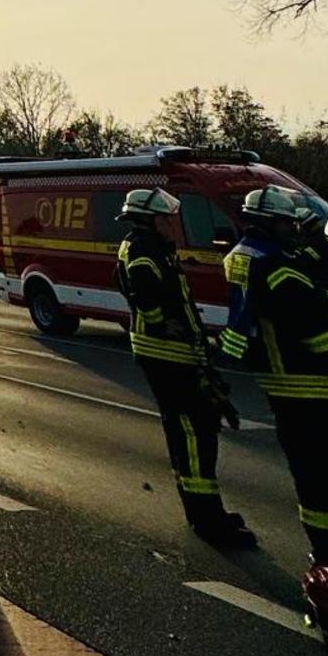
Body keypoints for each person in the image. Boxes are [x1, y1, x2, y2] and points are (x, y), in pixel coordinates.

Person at [221, 184, 328, 576]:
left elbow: (274, 311)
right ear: (273, 223)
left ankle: (327, 560)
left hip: (282, 391)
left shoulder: (246, 258)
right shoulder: (282, 270)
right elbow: (313, 331)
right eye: (286, 224)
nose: (292, 230)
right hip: (318, 390)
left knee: (311, 481)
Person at [114, 190, 253, 547]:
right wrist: (163, 325)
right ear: (149, 220)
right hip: (166, 352)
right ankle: (207, 519)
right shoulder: (145, 252)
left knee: (192, 429)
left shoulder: (143, 246)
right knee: (194, 431)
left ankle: (206, 510)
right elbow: (146, 297)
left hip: (170, 351)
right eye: (164, 219)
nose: (169, 225)